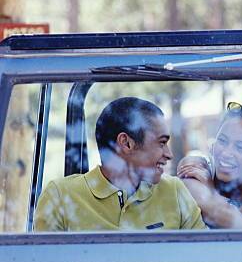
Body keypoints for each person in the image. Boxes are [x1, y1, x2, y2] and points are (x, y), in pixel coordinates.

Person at [34, 97, 206, 231]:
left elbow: (204, 260)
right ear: (126, 143)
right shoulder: (60, 196)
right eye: (161, 143)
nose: (169, 154)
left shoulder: (174, 191)